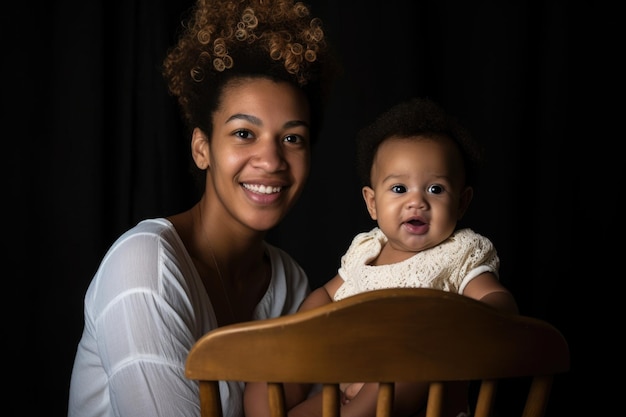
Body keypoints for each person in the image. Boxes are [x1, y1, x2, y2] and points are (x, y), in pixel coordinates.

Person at [67, 1, 338, 416]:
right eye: (244, 133)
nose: (271, 161)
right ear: (202, 148)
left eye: (292, 138)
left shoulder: (290, 284)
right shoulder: (144, 269)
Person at [251, 97, 519, 417]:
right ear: (372, 202)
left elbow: (496, 299)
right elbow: (326, 293)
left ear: (461, 203)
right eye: (399, 189)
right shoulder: (365, 250)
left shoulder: (460, 251)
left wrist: (462, 321)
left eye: (435, 189)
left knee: (412, 360)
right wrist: (298, 330)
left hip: (422, 401)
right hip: (343, 395)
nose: (416, 202)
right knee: (267, 379)